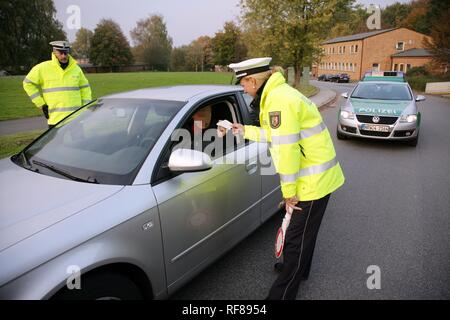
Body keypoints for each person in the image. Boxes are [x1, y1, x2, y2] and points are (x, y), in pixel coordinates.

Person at [227, 57, 345, 300]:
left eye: (243, 84)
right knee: (305, 235)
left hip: (313, 182)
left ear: (252, 80)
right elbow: (277, 133)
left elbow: (286, 149)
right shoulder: (279, 94)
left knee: (294, 242)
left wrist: (288, 193)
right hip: (319, 175)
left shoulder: (278, 100)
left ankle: (282, 294)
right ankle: (300, 271)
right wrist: (244, 130)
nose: (243, 89)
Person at [23, 41, 92, 129]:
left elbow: (85, 88)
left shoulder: (76, 69)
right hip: (55, 119)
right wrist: (41, 104)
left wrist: (85, 107)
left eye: (66, 53)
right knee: (56, 143)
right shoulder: (42, 68)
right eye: (61, 53)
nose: (64, 56)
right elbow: (27, 83)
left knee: (79, 142)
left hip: (76, 118)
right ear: (54, 52)